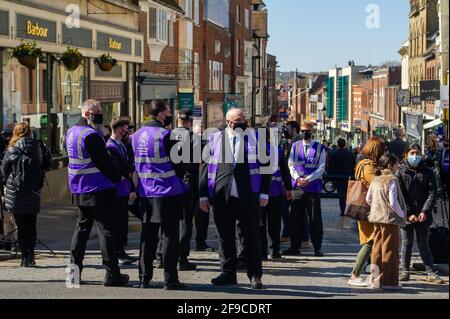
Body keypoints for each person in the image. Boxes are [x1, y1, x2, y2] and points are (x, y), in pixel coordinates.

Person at [199, 108, 271, 290]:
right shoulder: (214, 139)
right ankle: (227, 273)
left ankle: (255, 275)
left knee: (252, 238)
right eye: (239, 121)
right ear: (229, 122)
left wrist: (264, 193)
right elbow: (204, 168)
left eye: (244, 120)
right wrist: (202, 196)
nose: (243, 123)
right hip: (222, 197)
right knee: (224, 237)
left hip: (249, 197)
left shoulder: (256, 139)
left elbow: (266, 167)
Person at [67, 99, 129, 287]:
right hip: (98, 189)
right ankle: (112, 275)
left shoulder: (71, 132)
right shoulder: (91, 135)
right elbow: (105, 163)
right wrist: (119, 179)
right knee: (106, 231)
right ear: (87, 113)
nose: (101, 115)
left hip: (79, 189)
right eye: (97, 112)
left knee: (81, 231)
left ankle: (73, 274)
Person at [132, 100, 188, 290]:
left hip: (145, 193)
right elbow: (179, 165)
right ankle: (170, 279)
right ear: (162, 114)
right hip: (167, 192)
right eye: (169, 111)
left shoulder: (136, 135)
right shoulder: (166, 135)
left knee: (147, 237)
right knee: (169, 235)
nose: (171, 114)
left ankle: (144, 278)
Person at [1, 122, 51, 267]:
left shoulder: (11, 149)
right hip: (34, 191)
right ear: (29, 132)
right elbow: (46, 165)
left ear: (15, 133)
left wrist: (8, 182)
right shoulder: (38, 147)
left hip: (16, 192)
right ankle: (31, 255)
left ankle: (24, 257)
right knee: (32, 225)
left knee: (22, 227)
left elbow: (4, 171)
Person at [397, 144, 445, 284]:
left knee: (423, 243)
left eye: (417, 153)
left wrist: (424, 211)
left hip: (423, 214)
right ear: (406, 154)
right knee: (407, 242)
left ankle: (430, 272)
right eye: (412, 153)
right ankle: (405, 270)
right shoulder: (400, 171)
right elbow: (400, 195)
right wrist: (409, 213)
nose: (415, 156)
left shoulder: (427, 171)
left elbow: (432, 193)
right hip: (407, 214)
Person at [284, 122, 326, 257]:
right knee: (295, 218)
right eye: (302, 130)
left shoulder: (320, 148)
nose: (304, 133)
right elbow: (290, 164)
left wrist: (308, 179)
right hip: (298, 188)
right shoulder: (295, 146)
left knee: (315, 219)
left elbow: (321, 167)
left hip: (313, 188)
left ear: (311, 131)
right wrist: (297, 179)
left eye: (307, 130)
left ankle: (317, 248)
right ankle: (294, 247)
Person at [348, 137, 386, 287]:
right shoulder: (367, 165)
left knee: (373, 241)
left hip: (369, 208)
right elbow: (377, 184)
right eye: (382, 150)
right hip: (367, 209)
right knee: (370, 242)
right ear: (376, 150)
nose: (384, 153)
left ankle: (373, 276)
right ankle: (355, 275)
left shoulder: (365, 163)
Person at [366, 153, 406, 290]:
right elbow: (393, 202)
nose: (397, 167)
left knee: (376, 250)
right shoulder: (392, 179)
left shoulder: (375, 179)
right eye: (396, 164)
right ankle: (389, 282)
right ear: (390, 165)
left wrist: (377, 206)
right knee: (390, 250)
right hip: (389, 219)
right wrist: (402, 214)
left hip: (376, 218)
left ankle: (374, 280)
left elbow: (368, 199)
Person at [106, 117, 138, 265]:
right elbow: (120, 168)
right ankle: (118, 251)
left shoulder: (122, 145)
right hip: (117, 190)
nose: (127, 132)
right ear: (119, 130)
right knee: (117, 222)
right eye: (125, 129)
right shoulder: (110, 146)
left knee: (123, 221)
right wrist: (130, 171)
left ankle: (121, 250)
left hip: (125, 189)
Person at [260, 130, 293, 260]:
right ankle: (275, 251)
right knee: (275, 223)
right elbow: (285, 170)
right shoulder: (276, 150)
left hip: (260, 193)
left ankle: (262, 252)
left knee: (261, 223)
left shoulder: (254, 150)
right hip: (276, 191)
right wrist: (289, 188)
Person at [280, 121, 301, 242]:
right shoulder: (292, 142)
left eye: (287, 129)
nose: (285, 131)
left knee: (290, 209)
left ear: (293, 129)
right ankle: (289, 233)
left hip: (293, 181)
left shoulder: (297, 142)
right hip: (291, 181)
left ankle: (289, 233)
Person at [328, 138, 356, 216]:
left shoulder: (334, 154)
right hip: (349, 177)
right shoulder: (351, 154)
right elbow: (354, 166)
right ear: (345, 144)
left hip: (339, 178)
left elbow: (331, 167)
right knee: (349, 195)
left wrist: (332, 178)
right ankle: (348, 210)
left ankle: (343, 211)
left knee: (341, 195)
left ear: (338, 144)